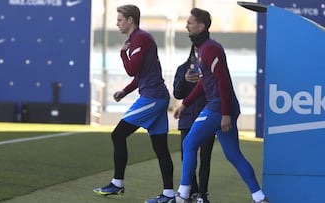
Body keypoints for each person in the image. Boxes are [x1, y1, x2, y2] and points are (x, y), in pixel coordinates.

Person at [173, 8, 269, 203]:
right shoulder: (203, 49)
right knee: (233, 155)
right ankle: (259, 198)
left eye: (190, 23)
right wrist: (185, 103)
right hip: (221, 107)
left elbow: (223, 81)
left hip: (218, 107)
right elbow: (204, 81)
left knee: (189, 143)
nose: (186, 26)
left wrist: (225, 114)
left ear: (201, 26)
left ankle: (183, 196)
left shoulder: (211, 49)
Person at [93, 4, 175, 203]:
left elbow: (131, 69)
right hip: (157, 97)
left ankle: (117, 184)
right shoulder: (138, 39)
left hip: (153, 98)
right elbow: (140, 75)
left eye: (120, 19)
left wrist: (122, 53)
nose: (117, 23)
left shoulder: (141, 38)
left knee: (118, 134)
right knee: (160, 148)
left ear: (130, 20)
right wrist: (125, 91)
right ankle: (169, 195)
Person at [173, 45, 215, 203]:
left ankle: (202, 194)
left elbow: (217, 91)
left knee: (205, 157)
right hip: (187, 118)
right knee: (187, 156)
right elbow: (177, 93)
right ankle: (194, 190)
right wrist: (184, 79)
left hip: (207, 117)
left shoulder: (212, 69)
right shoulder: (182, 68)